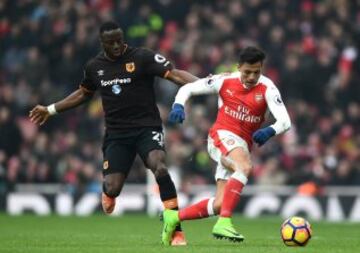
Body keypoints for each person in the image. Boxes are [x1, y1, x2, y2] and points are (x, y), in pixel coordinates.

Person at [29, 21, 199, 246]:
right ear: (103, 43)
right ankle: (108, 193)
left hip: (147, 127)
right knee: (112, 187)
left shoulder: (142, 57)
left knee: (159, 165)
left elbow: (175, 74)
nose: (117, 45)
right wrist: (51, 109)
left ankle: (176, 229)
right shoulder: (94, 67)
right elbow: (83, 94)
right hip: (117, 134)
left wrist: (210, 84)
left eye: (120, 40)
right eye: (111, 42)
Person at [162, 46, 291, 244]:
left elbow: (285, 121)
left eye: (256, 72)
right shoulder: (225, 81)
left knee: (220, 204)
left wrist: (269, 131)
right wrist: (178, 105)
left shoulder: (268, 88)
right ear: (239, 67)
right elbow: (187, 88)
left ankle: (173, 218)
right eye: (247, 72)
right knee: (244, 166)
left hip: (241, 145)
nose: (251, 77)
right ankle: (224, 222)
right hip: (220, 136)